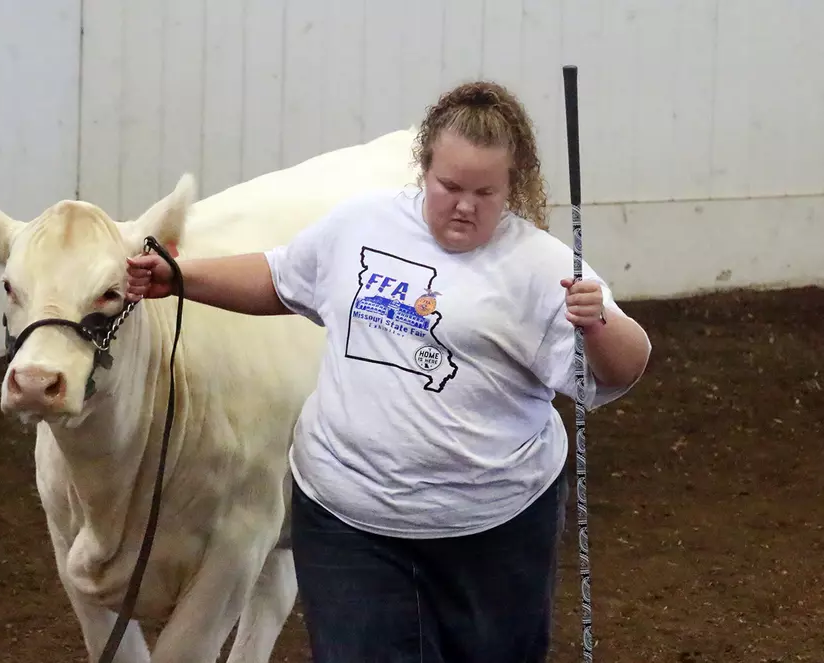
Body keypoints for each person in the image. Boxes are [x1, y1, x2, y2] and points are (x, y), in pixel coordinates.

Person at [125, 80, 651, 663]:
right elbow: (280, 278)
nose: (464, 205)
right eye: (449, 185)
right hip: (347, 518)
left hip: (491, 530)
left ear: (512, 188)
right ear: (423, 167)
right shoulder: (361, 224)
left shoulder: (540, 266)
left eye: (486, 192)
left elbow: (624, 369)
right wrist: (180, 277)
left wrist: (599, 320)